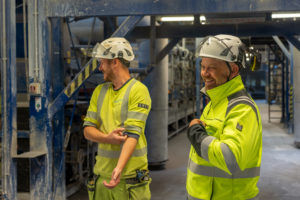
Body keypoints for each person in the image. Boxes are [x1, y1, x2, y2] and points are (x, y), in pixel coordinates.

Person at [186, 35, 262, 200]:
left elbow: (230, 158)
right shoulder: (214, 103)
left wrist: (195, 133)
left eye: (212, 68)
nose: (204, 73)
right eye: (203, 66)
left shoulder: (242, 109)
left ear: (233, 70)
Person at [83, 37, 152, 200]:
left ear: (115, 62)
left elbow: (133, 135)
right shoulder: (99, 91)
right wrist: (107, 138)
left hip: (130, 179)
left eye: (102, 62)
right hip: (102, 176)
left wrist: (118, 169)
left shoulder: (138, 91)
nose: (100, 68)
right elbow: (87, 130)